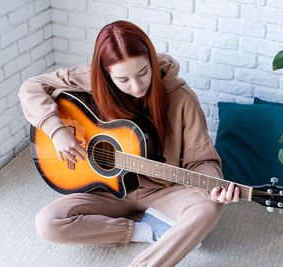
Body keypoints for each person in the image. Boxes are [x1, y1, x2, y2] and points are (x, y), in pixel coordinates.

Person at [19, 20, 239, 266]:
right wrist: (56, 130)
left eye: (143, 73)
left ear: (152, 61)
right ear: (105, 74)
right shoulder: (90, 80)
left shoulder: (181, 98)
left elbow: (202, 160)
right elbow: (32, 87)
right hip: (107, 189)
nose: (136, 86)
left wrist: (214, 185)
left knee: (208, 208)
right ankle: (145, 231)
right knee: (48, 223)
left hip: (163, 189)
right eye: (123, 79)